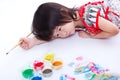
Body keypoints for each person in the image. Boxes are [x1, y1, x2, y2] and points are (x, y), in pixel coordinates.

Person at [20, 0, 120, 50]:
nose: (63, 34)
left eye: (59, 29)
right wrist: (32, 41)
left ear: (63, 12)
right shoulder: (71, 22)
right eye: (58, 35)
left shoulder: (88, 16)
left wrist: (90, 35)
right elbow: (51, 35)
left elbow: (114, 31)